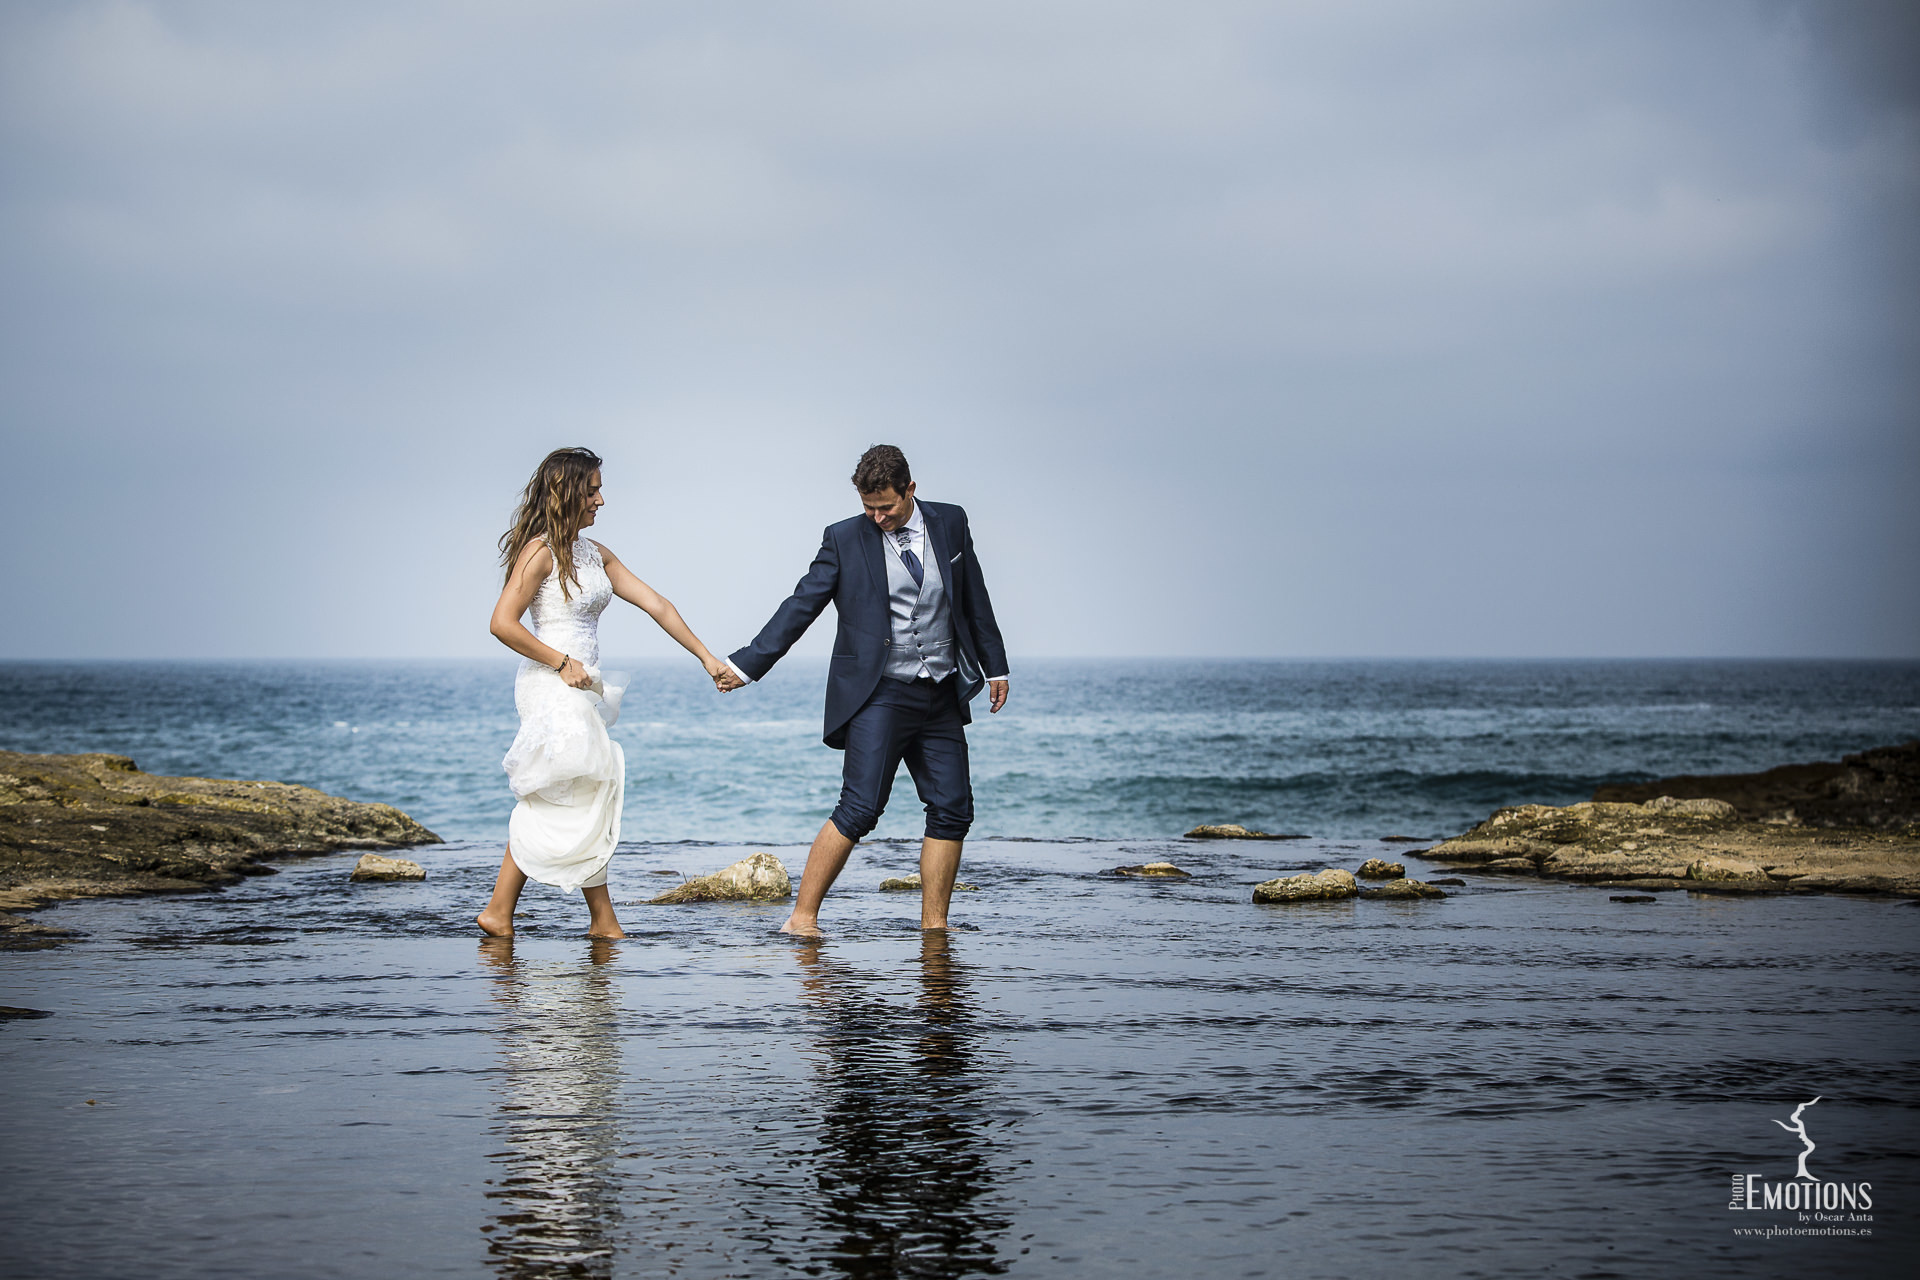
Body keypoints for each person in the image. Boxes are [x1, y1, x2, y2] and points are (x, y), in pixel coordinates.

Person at [716, 444, 1010, 936]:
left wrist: (995, 665)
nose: (877, 518)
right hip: (879, 693)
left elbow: (974, 596)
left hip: (940, 690)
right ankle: (801, 919)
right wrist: (746, 665)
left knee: (953, 807)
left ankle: (935, 926)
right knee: (860, 808)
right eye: (868, 507)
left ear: (910, 490)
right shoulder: (844, 538)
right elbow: (801, 605)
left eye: (886, 507)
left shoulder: (952, 522)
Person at [477, 447, 733, 938]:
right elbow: (501, 623)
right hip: (550, 683)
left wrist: (706, 657)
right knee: (566, 789)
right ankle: (584, 919)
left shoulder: (595, 553)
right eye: (592, 490)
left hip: (584, 686)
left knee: (579, 791)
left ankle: (520, 913)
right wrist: (560, 662)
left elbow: (657, 604)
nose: (601, 500)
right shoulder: (539, 553)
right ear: (566, 493)